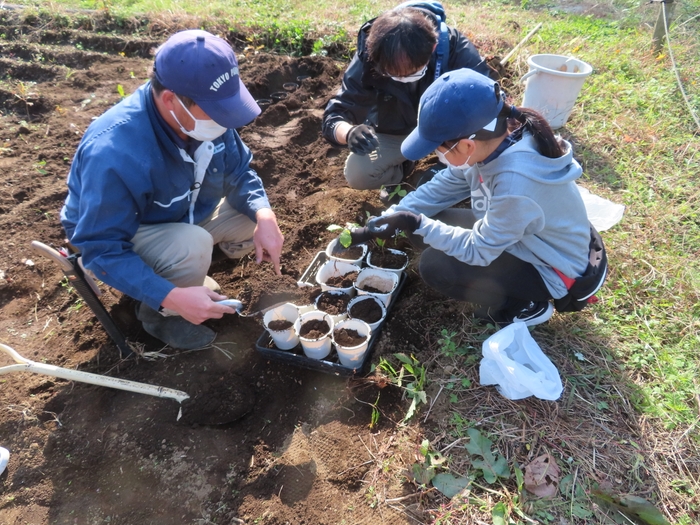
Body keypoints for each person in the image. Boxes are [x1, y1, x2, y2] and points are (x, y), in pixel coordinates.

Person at [60, 30, 285, 350]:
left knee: (251, 218)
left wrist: (265, 215)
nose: (225, 122)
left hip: (181, 209)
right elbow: (101, 245)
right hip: (122, 231)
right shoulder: (114, 151)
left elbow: (238, 172)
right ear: (171, 101)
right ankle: (159, 314)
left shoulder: (204, 116)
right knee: (192, 244)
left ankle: (184, 270)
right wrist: (172, 297)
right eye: (216, 112)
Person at [349, 68, 607, 327]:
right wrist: (393, 217)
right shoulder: (499, 139)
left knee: (435, 265)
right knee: (420, 222)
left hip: (554, 269)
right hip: (524, 237)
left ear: (466, 145)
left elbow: (478, 251)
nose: (437, 156)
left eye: (439, 149)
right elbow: (445, 184)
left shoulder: (516, 185)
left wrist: (415, 222)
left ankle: (527, 305)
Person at [321, 1, 494, 203]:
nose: (403, 78)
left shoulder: (455, 50)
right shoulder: (371, 55)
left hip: (450, 130)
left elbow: (491, 104)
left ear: (433, 48)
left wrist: (449, 169)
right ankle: (403, 172)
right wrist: (348, 132)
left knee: (479, 157)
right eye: (392, 74)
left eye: (412, 72)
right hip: (398, 132)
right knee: (358, 173)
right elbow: (335, 115)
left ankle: (451, 172)